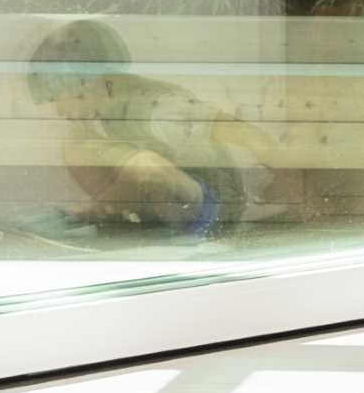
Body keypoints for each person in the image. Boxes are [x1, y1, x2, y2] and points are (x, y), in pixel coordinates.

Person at [17, 18, 273, 243]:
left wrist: (289, 173)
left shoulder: (155, 106)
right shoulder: (101, 115)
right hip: (167, 201)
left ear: (90, 82)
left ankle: (118, 217)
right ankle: (125, 219)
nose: (59, 111)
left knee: (143, 165)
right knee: (78, 145)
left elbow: (241, 132)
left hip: (209, 207)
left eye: (60, 97)